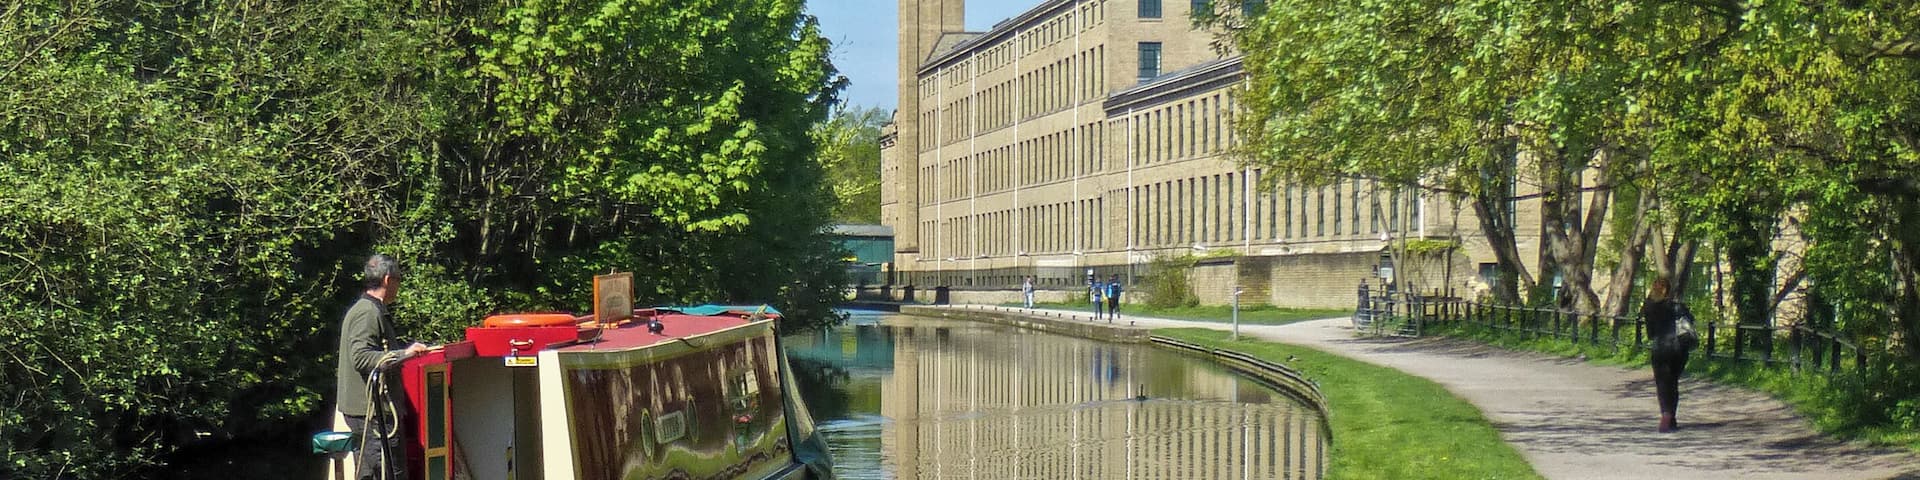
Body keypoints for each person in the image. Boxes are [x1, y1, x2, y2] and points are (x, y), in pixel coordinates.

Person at [336, 254, 430, 480]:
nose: (399, 286)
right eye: (398, 280)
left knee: (374, 473)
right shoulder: (367, 312)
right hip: (373, 415)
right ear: (388, 279)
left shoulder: (368, 309)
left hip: (371, 413)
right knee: (387, 473)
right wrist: (405, 354)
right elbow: (361, 358)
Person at [1642, 276, 1696, 433]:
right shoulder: (1677, 307)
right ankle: (1671, 417)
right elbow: (1690, 321)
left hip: (1660, 348)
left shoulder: (1649, 307)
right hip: (1679, 348)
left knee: (1662, 383)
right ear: (1668, 291)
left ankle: (1666, 414)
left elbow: (1651, 333)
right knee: (1673, 382)